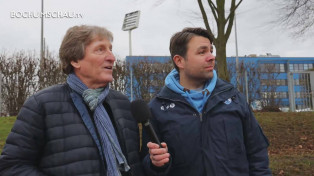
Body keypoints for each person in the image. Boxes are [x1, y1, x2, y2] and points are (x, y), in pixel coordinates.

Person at [0, 25, 144, 176]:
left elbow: (135, 165)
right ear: (75, 60)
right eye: (100, 49)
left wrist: (156, 166)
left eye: (110, 49)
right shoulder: (42, 105)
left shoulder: (123, 104)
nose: (112, 57)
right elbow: (12, 166)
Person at [141, 27, 271, 176]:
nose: (211, 57)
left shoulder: (234, 98)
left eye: (211, 50)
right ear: (179, 61)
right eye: (202, 52)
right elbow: (147, 165)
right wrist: (156, 164)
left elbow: (257, 153)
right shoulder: (157, 109)